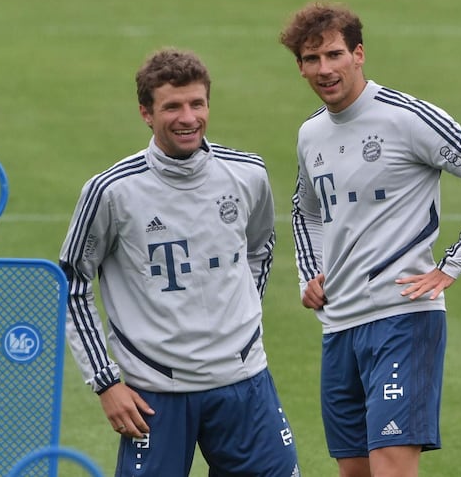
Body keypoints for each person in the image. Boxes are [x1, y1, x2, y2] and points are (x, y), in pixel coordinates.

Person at [278, 0, 461, 477]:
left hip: (402, 319)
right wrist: (311, 272)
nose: (324, 69)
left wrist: (452, 265)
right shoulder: (311, 134)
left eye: (333, 55)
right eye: (312, 60)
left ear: (359, 54)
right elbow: (304, 209)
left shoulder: (404, 118)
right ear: (301, 67)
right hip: (339, 327)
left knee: (391, 470)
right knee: (355, 473)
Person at [59, 48, 301, 477]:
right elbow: (70, 284)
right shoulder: (112, 191)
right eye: (172, 106)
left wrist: (239, 323)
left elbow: (259, 250)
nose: (188, 117)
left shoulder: (248, 174)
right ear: (145, 113)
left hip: (244, 382)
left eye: (197, 104)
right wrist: (106, 382)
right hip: (156, 396)